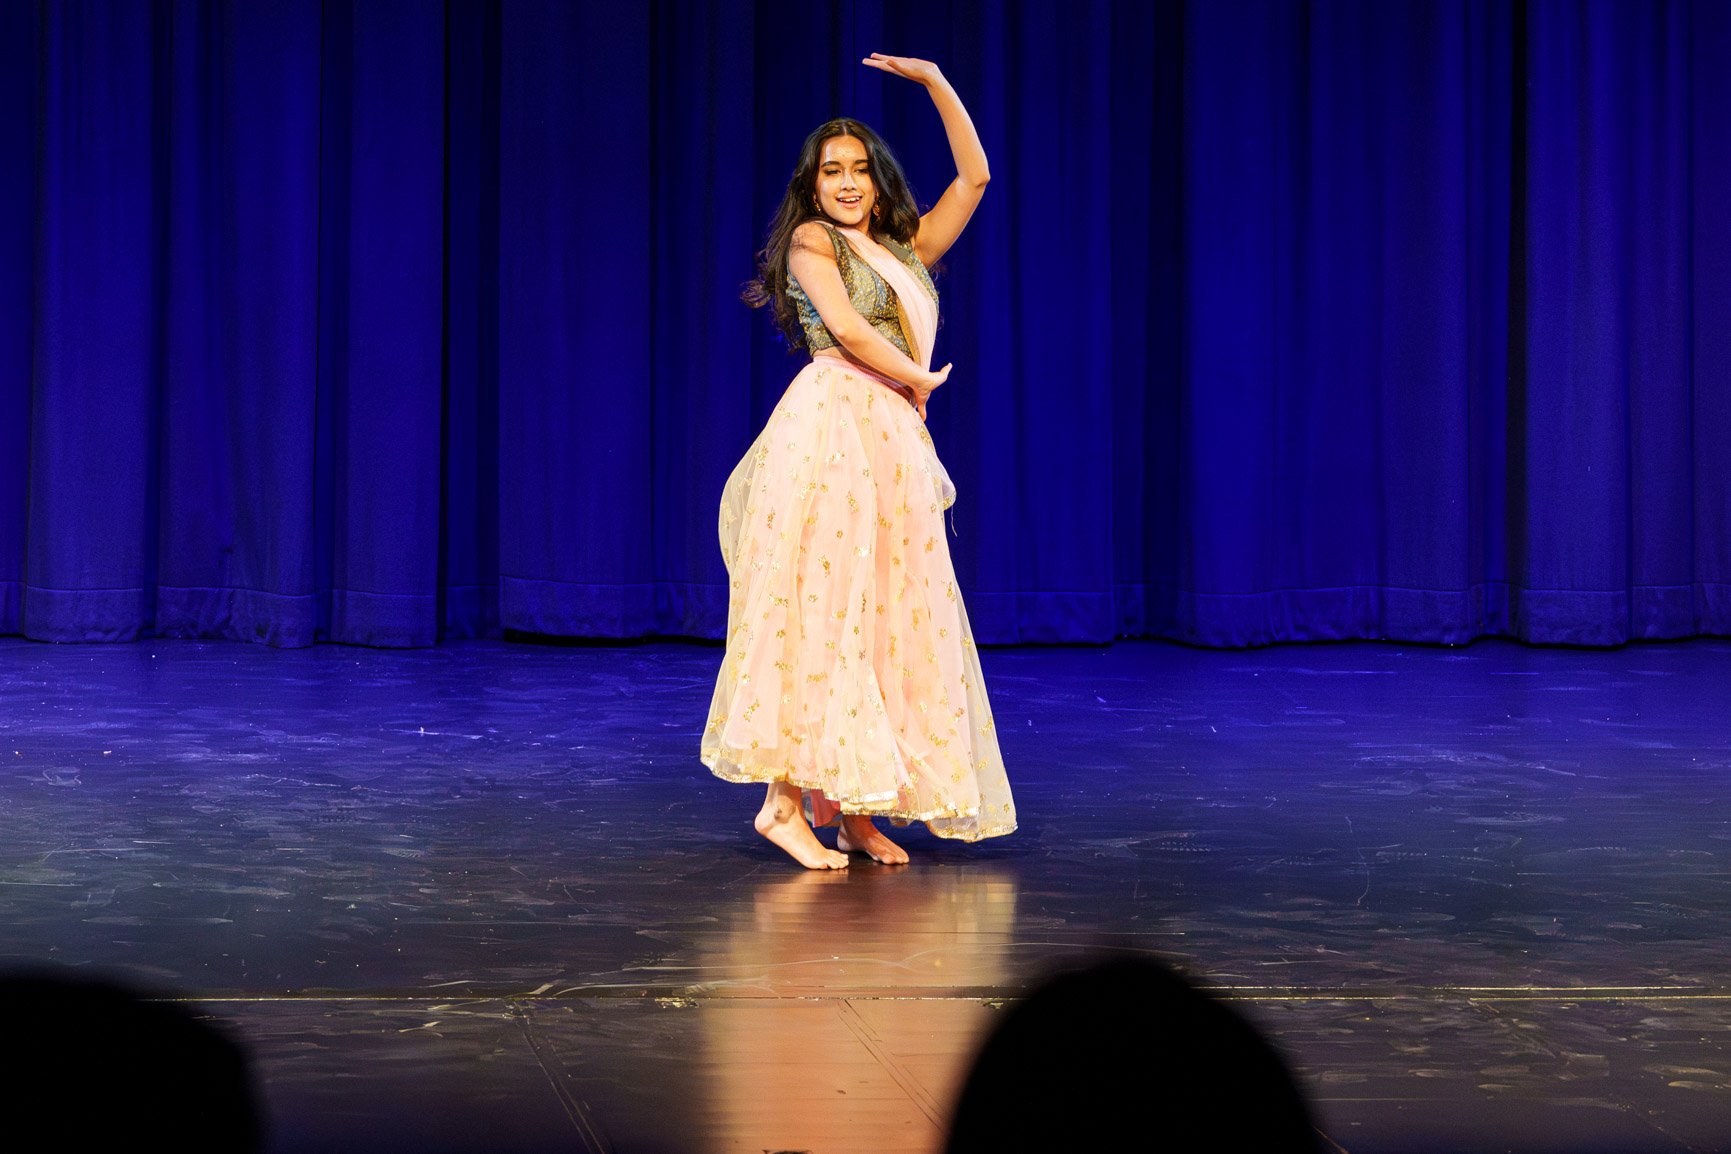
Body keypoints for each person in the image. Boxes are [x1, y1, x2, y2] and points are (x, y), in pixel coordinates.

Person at [701, 54, 1016, 869]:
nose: (846, 183)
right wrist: (920, 378)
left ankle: (856, 809)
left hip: (890, 437)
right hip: (834, 424)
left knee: (883, 613)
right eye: (831, 171)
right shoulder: (813, 240)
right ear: (814, 186)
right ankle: (781, 803)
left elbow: (975, 178)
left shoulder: (906, 249)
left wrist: (940, 83)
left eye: (860, 171)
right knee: (820, 605)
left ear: (878, 184)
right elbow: (845, 330)